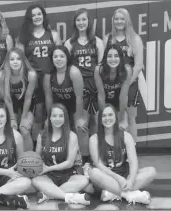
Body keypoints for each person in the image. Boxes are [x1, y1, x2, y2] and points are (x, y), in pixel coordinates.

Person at [87, 104, 156, 204]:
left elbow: (133, 162)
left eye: (110, 115)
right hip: (107, 176)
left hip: (125, 176)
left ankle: (113, 192)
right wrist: (117, 178)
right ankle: (129, 195)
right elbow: (98, 164)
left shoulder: (126, 136)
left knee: (151, 171)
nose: (107, 118)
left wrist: (131, 180)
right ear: (100, 119)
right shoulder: (94, 139)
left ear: (115, 117)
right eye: (104, 116)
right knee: (93, 173)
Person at [16, 4, 62, 145]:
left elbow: (60, 55)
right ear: (29, 18)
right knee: (38, 113)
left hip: (51, 77)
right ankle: (37, 145)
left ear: (43, 16)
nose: (36, 17)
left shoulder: (53, 34)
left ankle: (55, 143)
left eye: (39, 14)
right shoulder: (23, 36)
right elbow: (19, 59)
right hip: (33, 79)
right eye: (33, 15)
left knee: (54, 112)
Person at [64, 8, 104, 167]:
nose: (81, 23)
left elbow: (101, 68)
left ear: (89, 22)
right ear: (75, 22)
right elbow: (65, 67)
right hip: (79, 87)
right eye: (78, 20)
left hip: (95, 84)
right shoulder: (69, 43)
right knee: (81, 125)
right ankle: (85, 159)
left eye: (84, 20)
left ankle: (98, 158)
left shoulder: (98, 42)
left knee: (98, 123)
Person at [31, 103, 90, 205]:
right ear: (49, 118)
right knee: (35, 180)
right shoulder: (42, 135)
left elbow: (69, 163)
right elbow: (37, 158)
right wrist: (37, 166)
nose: (57, 119)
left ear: (65, 118)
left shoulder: (72, 136)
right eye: (54, 116)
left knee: (84, 180)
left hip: (68, 175)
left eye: (60, 116)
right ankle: (70, 197)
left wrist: (49, 168)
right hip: (48, 176)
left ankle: (48, 194)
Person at [104, 8, 144, 142]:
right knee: (112, 117)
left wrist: (127, 83)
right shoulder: (108, 38)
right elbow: (103, 62)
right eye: (116, 19)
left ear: (127, 20)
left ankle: (131, 149)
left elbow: (138, 66)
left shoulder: (135, 38)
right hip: (112, 85)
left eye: (122, 19)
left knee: (131, 119)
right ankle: (114, 148)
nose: (119, 21)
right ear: (113, 21)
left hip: (130, 84)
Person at [0, 48, 37, 151]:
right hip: (11, 105)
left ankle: (29, 158)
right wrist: (13, 118)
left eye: (18, 59)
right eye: (12, 59)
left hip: (26, 105)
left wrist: (23, 119)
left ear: (23, 61)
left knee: (24, 129)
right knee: (11, 129)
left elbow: (28, 98)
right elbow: (7, 98)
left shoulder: (31, 75)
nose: (15, 62)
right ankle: (12, 156)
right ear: (7, 61)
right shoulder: (1, 75)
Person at [43, 45, 84, 130]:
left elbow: (79, 98)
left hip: (74, 107)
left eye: (62, 56)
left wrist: (78, 118)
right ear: (52, 59)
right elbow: (48, 97)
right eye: (55, 57)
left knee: (80, 128)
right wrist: (49, 116)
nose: (58, 59)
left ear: (67, 58)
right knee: (48, 126)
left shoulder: (74, 72)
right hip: (58, 106)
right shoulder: (48, 75)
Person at [94, 44, 131, 129]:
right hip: (104, 103)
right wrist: (104, 115)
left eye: (116, 56)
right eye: (109, 56)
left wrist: (121, 119)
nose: (113, 59)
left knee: (123, 126)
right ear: (105, 58)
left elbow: (123, 97)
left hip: (118, 104)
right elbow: (101, 96)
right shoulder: (99, 69)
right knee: (102, 126)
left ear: (121, 58)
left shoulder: (127, 70)